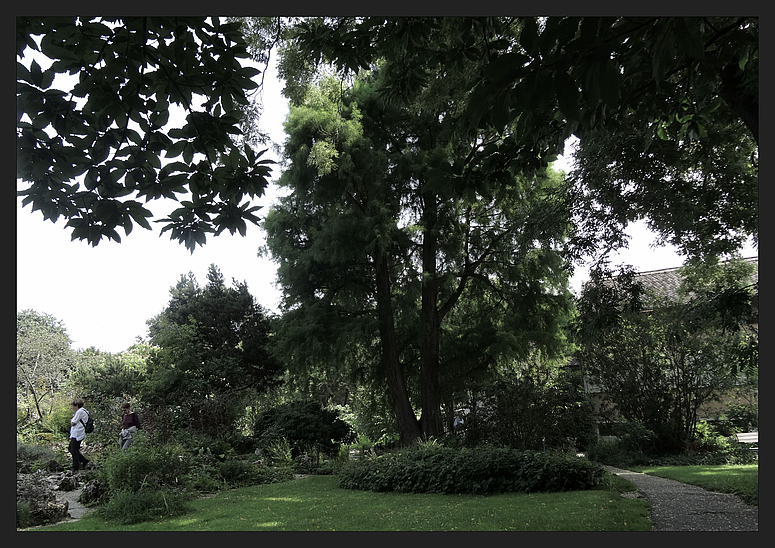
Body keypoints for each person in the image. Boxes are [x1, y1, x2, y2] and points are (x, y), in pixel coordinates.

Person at [68, 398, 90, 472]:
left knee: (74, 450)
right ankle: (84, 461)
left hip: (77, 433)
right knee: (71, 448)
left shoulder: (80, 412)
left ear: (77, 405)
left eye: (73, 406)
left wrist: (72, 421)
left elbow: (73, 422)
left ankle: (75, 467)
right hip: (78, 433)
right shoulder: (84, 411)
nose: (72, 408)